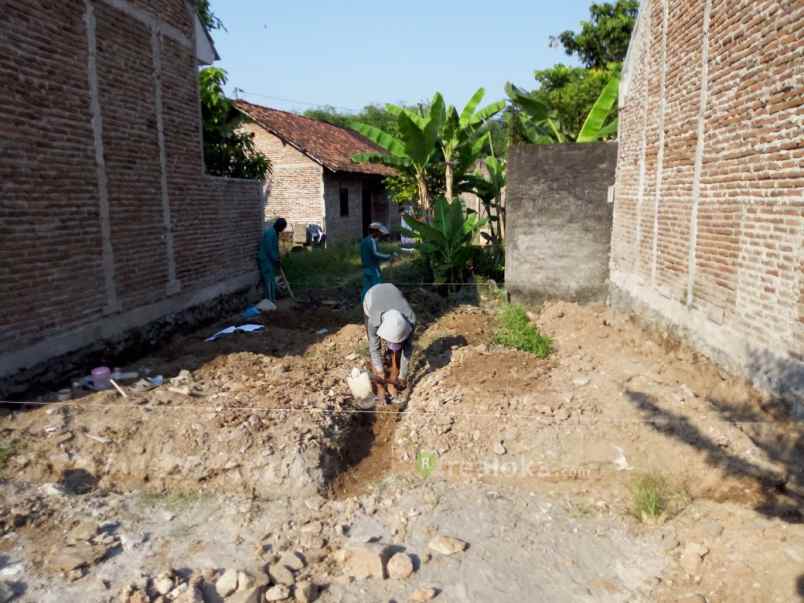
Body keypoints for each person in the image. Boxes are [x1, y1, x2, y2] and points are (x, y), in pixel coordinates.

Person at [363, 283, 416, 401]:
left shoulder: (410, 319)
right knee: (375, 348)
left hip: (392, 294)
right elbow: (374, 348)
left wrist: (402, 375)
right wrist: (380, 372)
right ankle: (380, 389)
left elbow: (407, 349)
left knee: (397, 352)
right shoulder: (374, 319)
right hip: (372, 297)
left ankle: (392, 381)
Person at [360, 222, 396, 302]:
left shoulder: (364, 241)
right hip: (373, 269)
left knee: (366, 288)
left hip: (365, 268)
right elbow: (375, 254)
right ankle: (377, 303)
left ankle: (364, 303)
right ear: (375, 231)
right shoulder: (372, 241)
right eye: (379, 232)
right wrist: (389, 256)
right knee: (378, 287)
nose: (380, 234)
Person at [258, 218, 287, 302]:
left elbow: (275, 248)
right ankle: (270, 300)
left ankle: (272, 299)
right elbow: (269, 249)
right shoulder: (271, 234)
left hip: (269, 260)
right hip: (265, 260)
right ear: (279, 226)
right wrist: (276, 259)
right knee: (269, 281)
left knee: (271, 279)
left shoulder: (275, 232)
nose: (282, 230)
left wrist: (278, 258)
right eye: (282, 228)